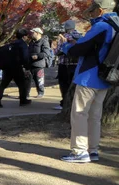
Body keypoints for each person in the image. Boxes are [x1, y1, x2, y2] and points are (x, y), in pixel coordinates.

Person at [60, 0, 117, 163]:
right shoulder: (116, 25)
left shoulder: (101, 26)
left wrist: (66, 46)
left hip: (89, 76)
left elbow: (79, 49)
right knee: (95, 116)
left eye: (92, 11)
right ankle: (93, 150)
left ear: (100, 10)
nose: (90, 14)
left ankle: (79, 152)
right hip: (106, 78)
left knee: (79, 114)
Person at [0, 28, 32, 108]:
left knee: (3, 84)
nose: (27, 38)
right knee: (22, 84)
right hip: (17, 67)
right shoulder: (23, 45)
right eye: (26, 36)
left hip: (7, 68)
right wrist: (27, 67)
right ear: (24, 37)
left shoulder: (11, 44)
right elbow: (25, 57)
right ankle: (23, 100)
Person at [54, 21, 83, 110]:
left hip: (64, 64)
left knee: (64, 84)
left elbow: (57, 52)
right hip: (77, 64)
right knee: (74, 85)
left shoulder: (64, 37)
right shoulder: (81, 36)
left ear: (66, 27)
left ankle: (64, 104)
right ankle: (75, 104)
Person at [28, 27, 52, 98]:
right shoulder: (31, 42)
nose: (31, 34)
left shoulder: (44, 41)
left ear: (37, 33)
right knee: (28, 80)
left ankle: (40, 93)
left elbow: (46, 53)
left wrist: (37, 56)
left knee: (39, 80)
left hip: (39, 65)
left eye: (33, 32)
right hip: (30, 64)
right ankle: (26, 93)